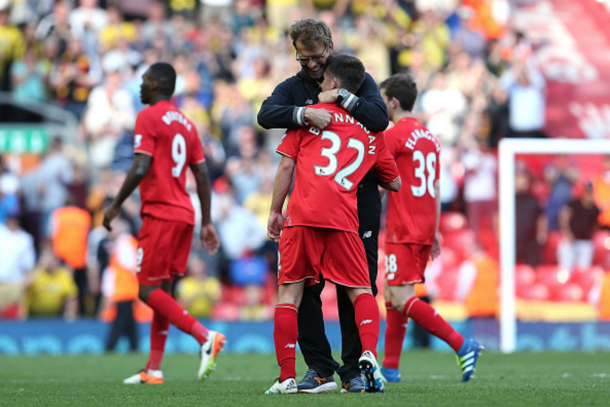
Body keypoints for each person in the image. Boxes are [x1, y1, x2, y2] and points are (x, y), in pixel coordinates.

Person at [257, 17, 389, 394]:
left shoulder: (355, 78)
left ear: (329, 48)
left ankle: (353, 369)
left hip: (359, 200)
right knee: (308, 291)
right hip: (314, 201)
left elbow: (380, 119)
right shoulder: (294, 88)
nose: (310, 65)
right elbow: (265, 115)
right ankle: (318, 367)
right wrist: (305, 111)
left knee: (356, 287)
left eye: (315, 57)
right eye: (303, 59)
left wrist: (337, 99)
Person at [103, 62, 225, 385]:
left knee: (146, 290)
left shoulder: (147, 116)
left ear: (156, 85)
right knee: (164, 291)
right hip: (185, 214)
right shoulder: (187, 123)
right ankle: (154, 369)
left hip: (159, 213)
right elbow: (201, 174)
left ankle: (204, 336)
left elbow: (141, 165)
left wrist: (115, 205)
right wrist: (207, 221)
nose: (140, 87)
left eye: (143, 82)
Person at [377, 74, 483, 384]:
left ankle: (462, 345)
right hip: (424, 225)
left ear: (393, 102)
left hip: (403, 226)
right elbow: (435, 187)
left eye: (383, 100)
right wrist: (435, 230)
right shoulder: (430, 137)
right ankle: (391, 368)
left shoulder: (393, 136)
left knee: (401, 295)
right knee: (393, 292)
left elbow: (381, 182)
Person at [557, 182, 600, 272]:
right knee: (566, 269)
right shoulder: (574, 204)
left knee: (583, 270)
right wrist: (567, 233)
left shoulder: (595, 209)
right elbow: (563, 218)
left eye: (590, 193)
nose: (589, 195)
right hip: (571, 241)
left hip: (585, 242)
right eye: (587, 192)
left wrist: (590, 235)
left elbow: (596, 225)